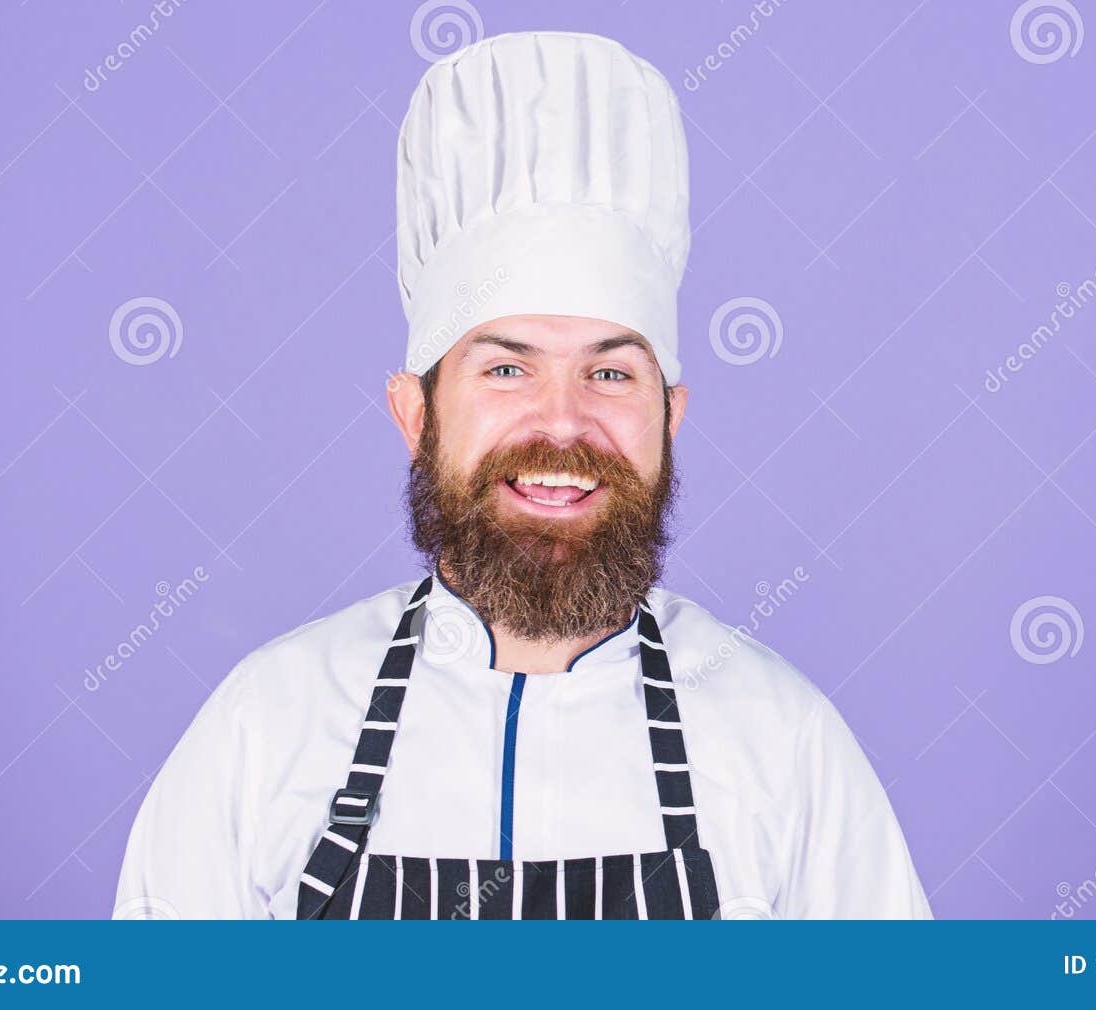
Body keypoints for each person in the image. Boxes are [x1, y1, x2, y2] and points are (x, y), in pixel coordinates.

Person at [114, 29, 931, 920]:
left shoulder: (784, 743)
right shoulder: (265, 728)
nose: (563, 422)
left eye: (611, 372)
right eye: (506, 369)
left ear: (671, 417)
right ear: (415, 415)